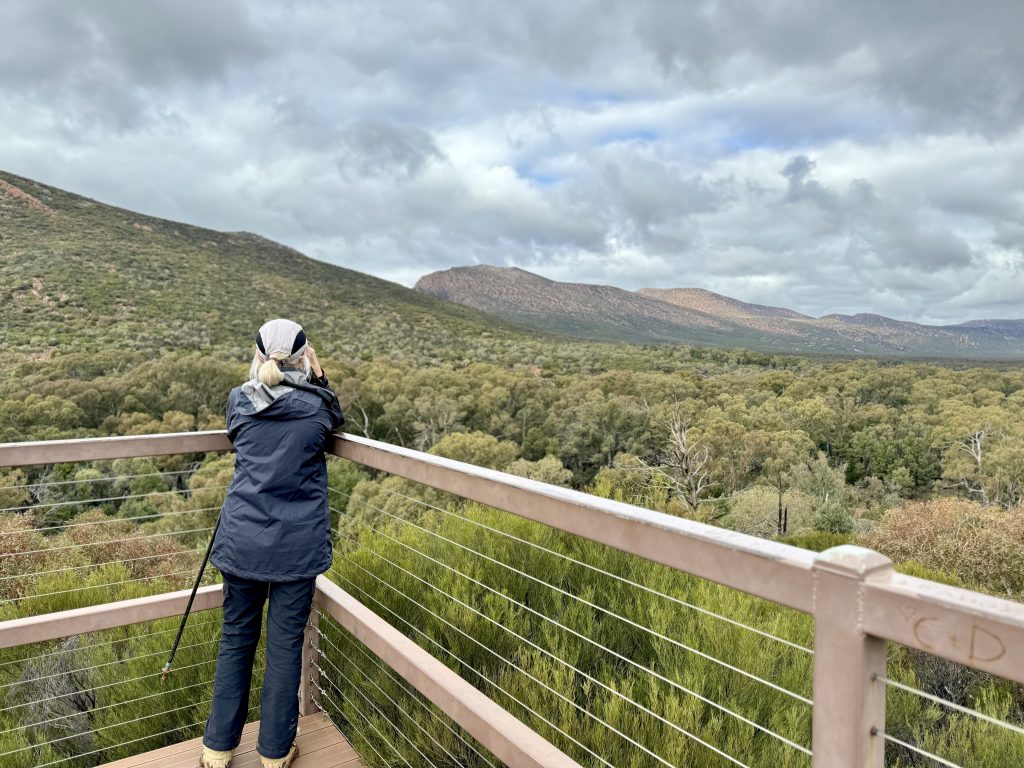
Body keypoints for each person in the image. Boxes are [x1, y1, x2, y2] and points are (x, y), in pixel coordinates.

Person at [200, 318, 344, 768]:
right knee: (284, 647)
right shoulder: (317, 408)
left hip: (242, 542)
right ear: (305, 357)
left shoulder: (238, 403)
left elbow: (236, 432)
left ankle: (217, 750)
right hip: (295, 550)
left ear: (257, 356)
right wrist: (319, 377)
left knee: (237, 639)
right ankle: (275, 755)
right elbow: (335, 418)